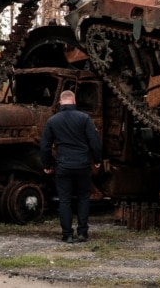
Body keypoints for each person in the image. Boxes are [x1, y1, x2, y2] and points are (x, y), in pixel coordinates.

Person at [40, 90, 102, 243]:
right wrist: (97, 159)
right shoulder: (84, 118)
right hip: (82, 165)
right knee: (83, 198)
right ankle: (82, 233)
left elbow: (45, 146)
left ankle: (67, 234)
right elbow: (94, 140)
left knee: (65, 200)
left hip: (63, 165)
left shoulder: (53, 121)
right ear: (74, 102)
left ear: (60, 103)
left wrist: (47, 165)